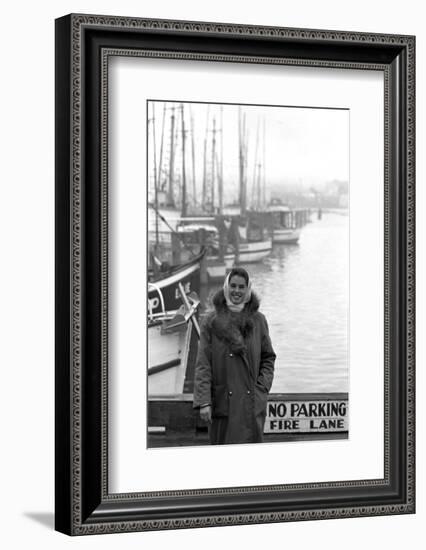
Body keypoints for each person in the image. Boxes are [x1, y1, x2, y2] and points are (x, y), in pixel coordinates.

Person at [193, 267, 276, 444]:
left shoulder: (258, 320)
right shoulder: (211, 322)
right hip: (223, 403)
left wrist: (261, 389)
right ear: (226, 286)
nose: (236, 291)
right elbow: (203, 364)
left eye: (241, 287)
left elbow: (268, 358)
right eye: (233, 286)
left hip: (251, 405)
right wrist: (204, 402)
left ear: (248, 289)